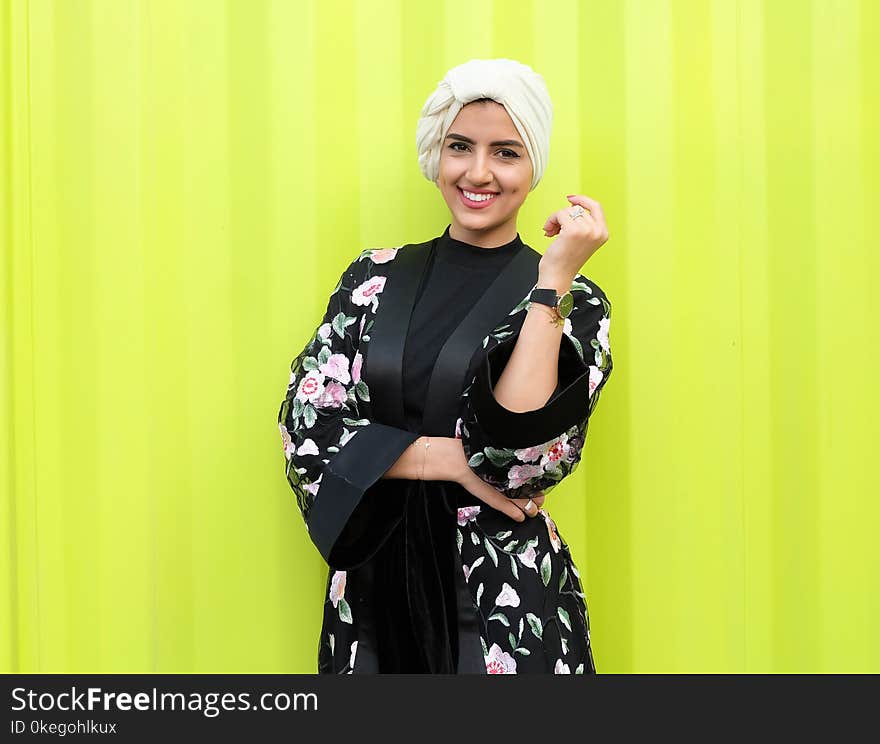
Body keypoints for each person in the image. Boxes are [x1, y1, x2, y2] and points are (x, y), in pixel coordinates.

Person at [276, 58, 613, 674]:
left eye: (505, 153)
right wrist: (448, 459)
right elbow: (308, 430)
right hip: (373, 588)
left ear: (533, 166)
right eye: (460, 146)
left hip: (501, 603)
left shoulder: (573, 302)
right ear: (438, 153)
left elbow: (523, 457)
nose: (477, 173)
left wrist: (553, 280)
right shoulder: (373, 278)